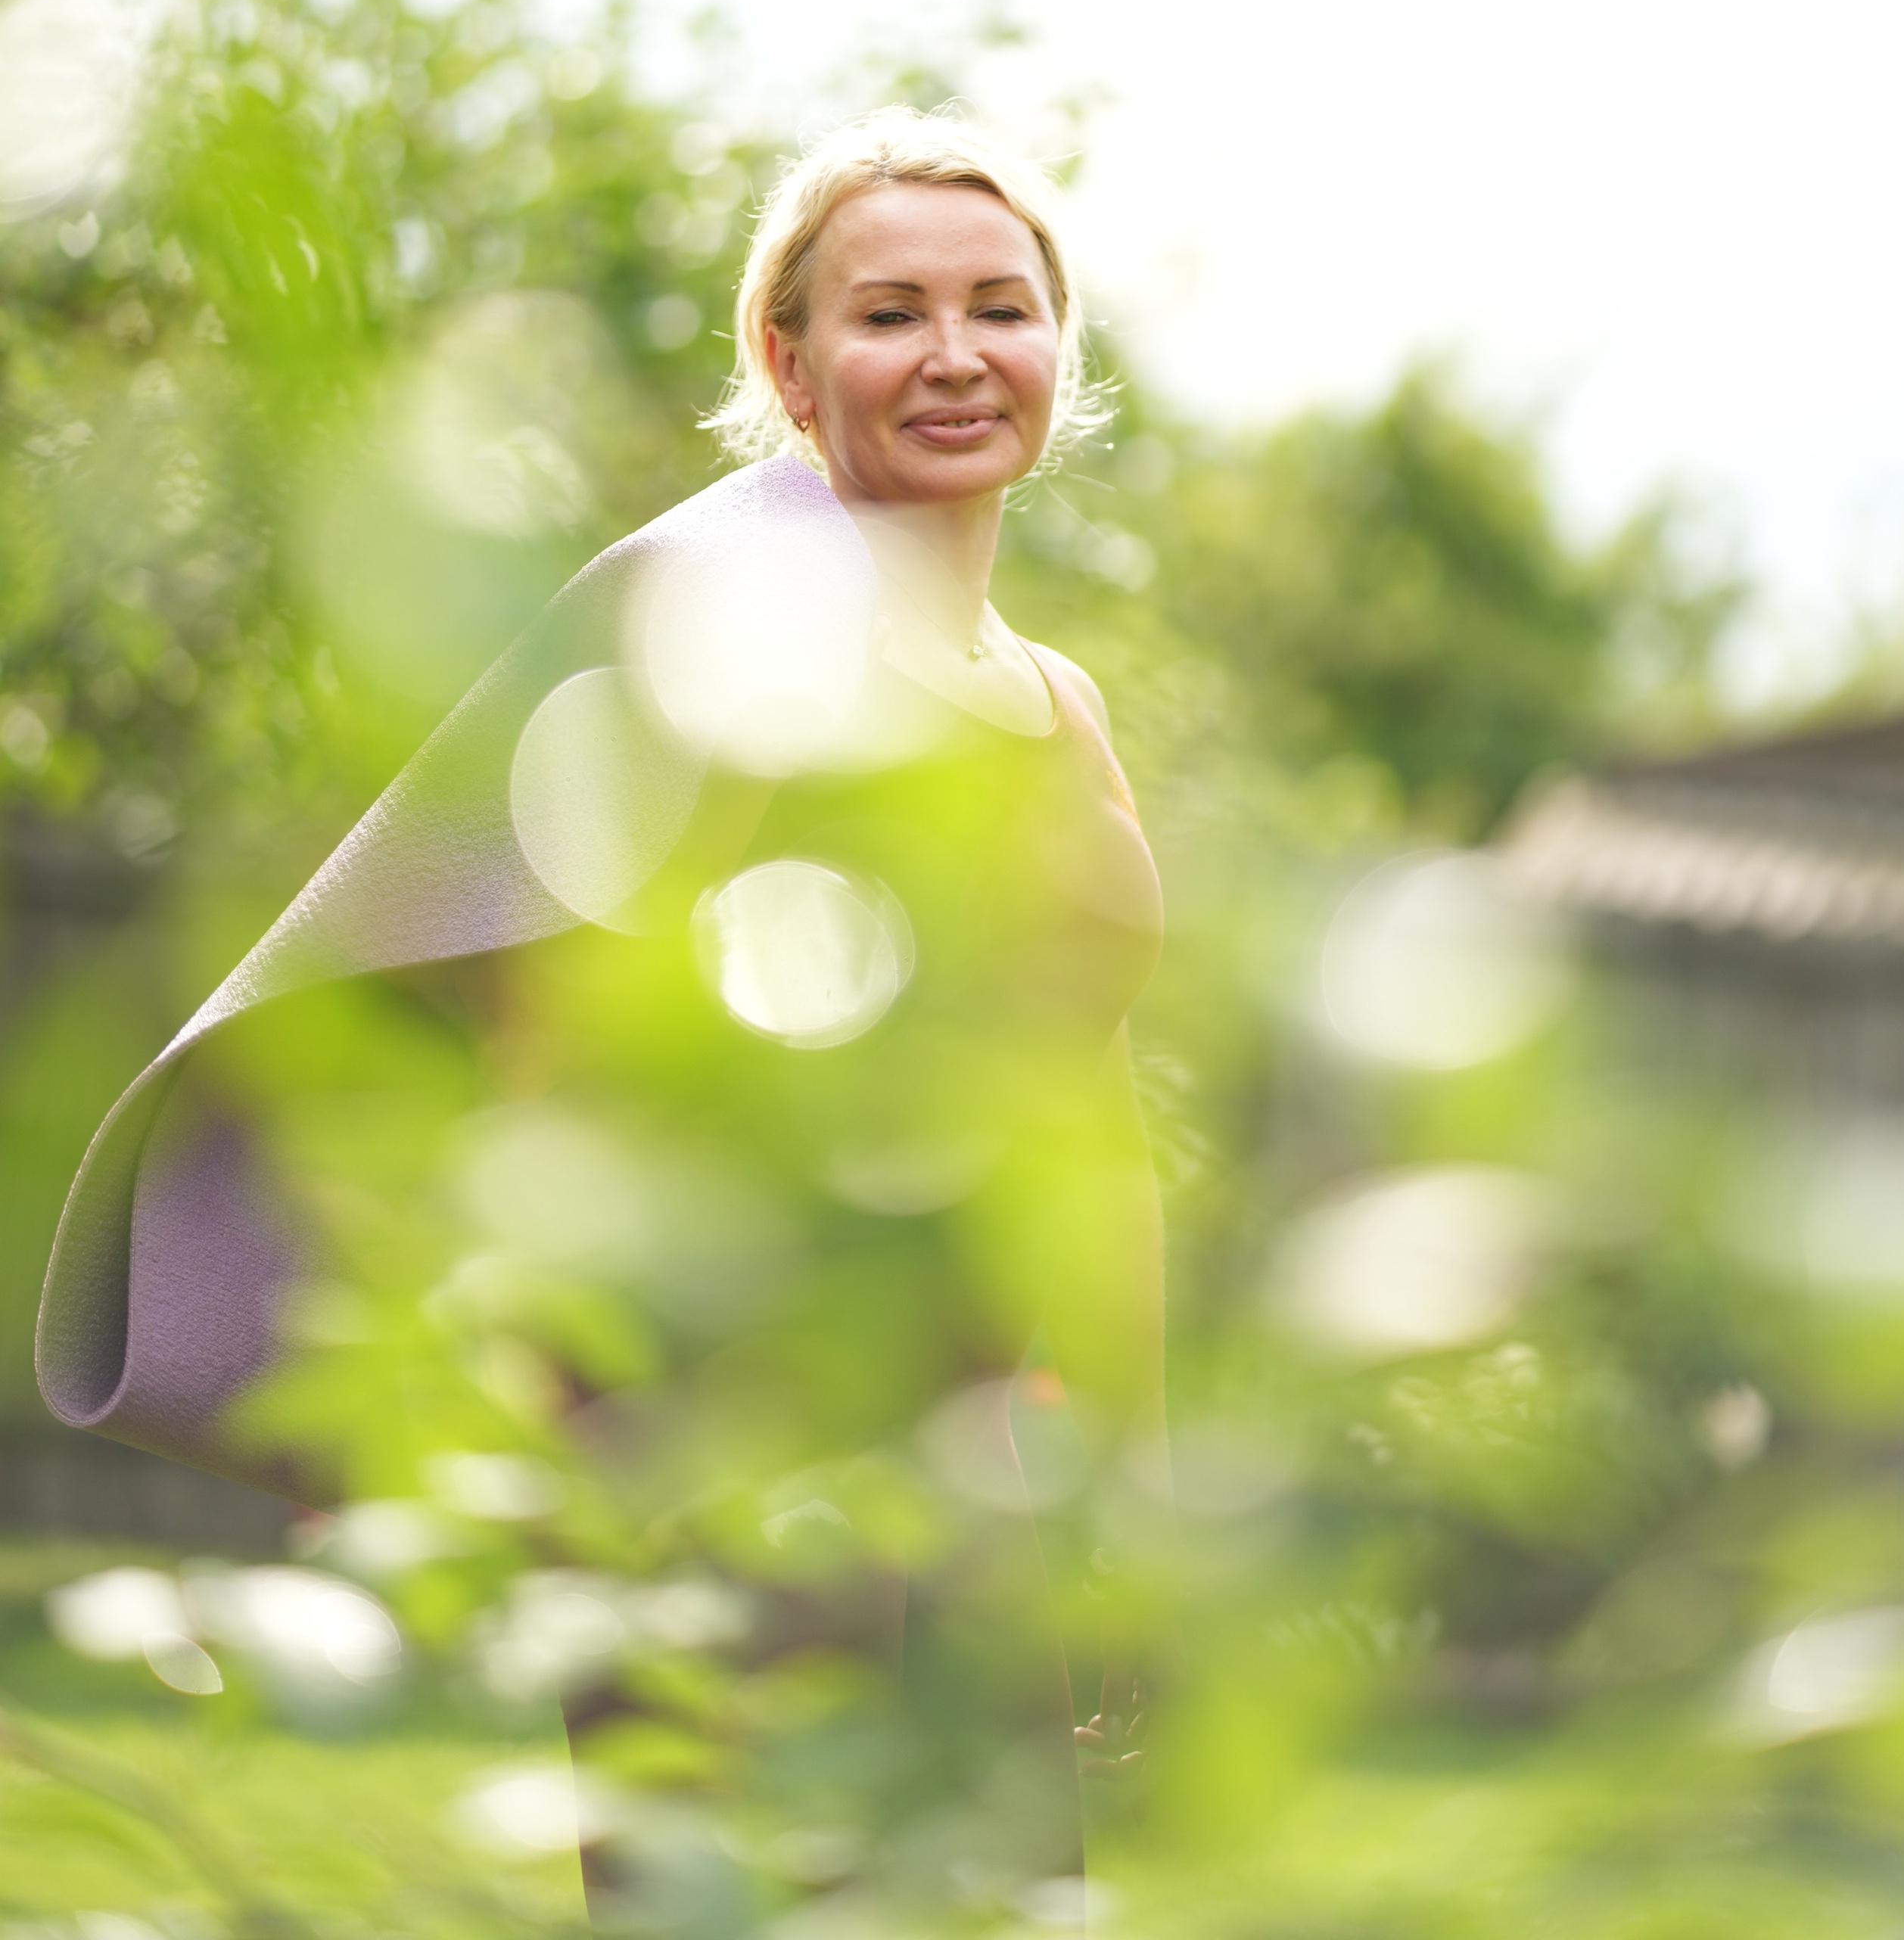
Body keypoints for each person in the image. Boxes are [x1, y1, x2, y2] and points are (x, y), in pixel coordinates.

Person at [38, 107, 1167, 1910]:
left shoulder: (1061, 702)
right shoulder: (711, 634)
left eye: (998, 307)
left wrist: (1125, 1475)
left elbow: (1094, 1131)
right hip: (745, 1420)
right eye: (888, 315)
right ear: (788, 367)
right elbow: (546, 1024)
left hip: (990, 1451)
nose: (954, 354)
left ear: (1058, 348)